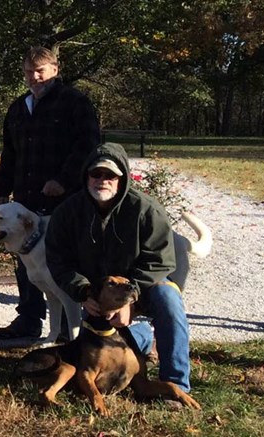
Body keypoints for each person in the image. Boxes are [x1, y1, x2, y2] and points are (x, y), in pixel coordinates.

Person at [47, 142, 192, 393]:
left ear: (122, 178)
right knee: (97, 343)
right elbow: (58, 260)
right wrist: (83, 292)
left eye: (111, 175)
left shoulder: (147, 210)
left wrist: (130, 299)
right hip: (98, 293)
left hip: (143, 287)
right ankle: (144, 338)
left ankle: (176, 382)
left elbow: (161, 260)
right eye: (97, 174)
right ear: (86, 176)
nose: (103, 180)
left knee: (170, 300)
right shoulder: (68, 212)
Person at [0, 46, 101, 339]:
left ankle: (70, 326)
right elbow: (9, 153)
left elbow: (88, 145)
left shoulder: (75, 103)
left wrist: (64, 180)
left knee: (61, 260)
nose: (35, 77)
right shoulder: (18, 108)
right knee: (25, 256)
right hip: (25, 196)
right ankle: (29, 318)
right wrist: (2, 191)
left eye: (40, 70)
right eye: (29, 71)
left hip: (63, 200)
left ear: (55, 69)